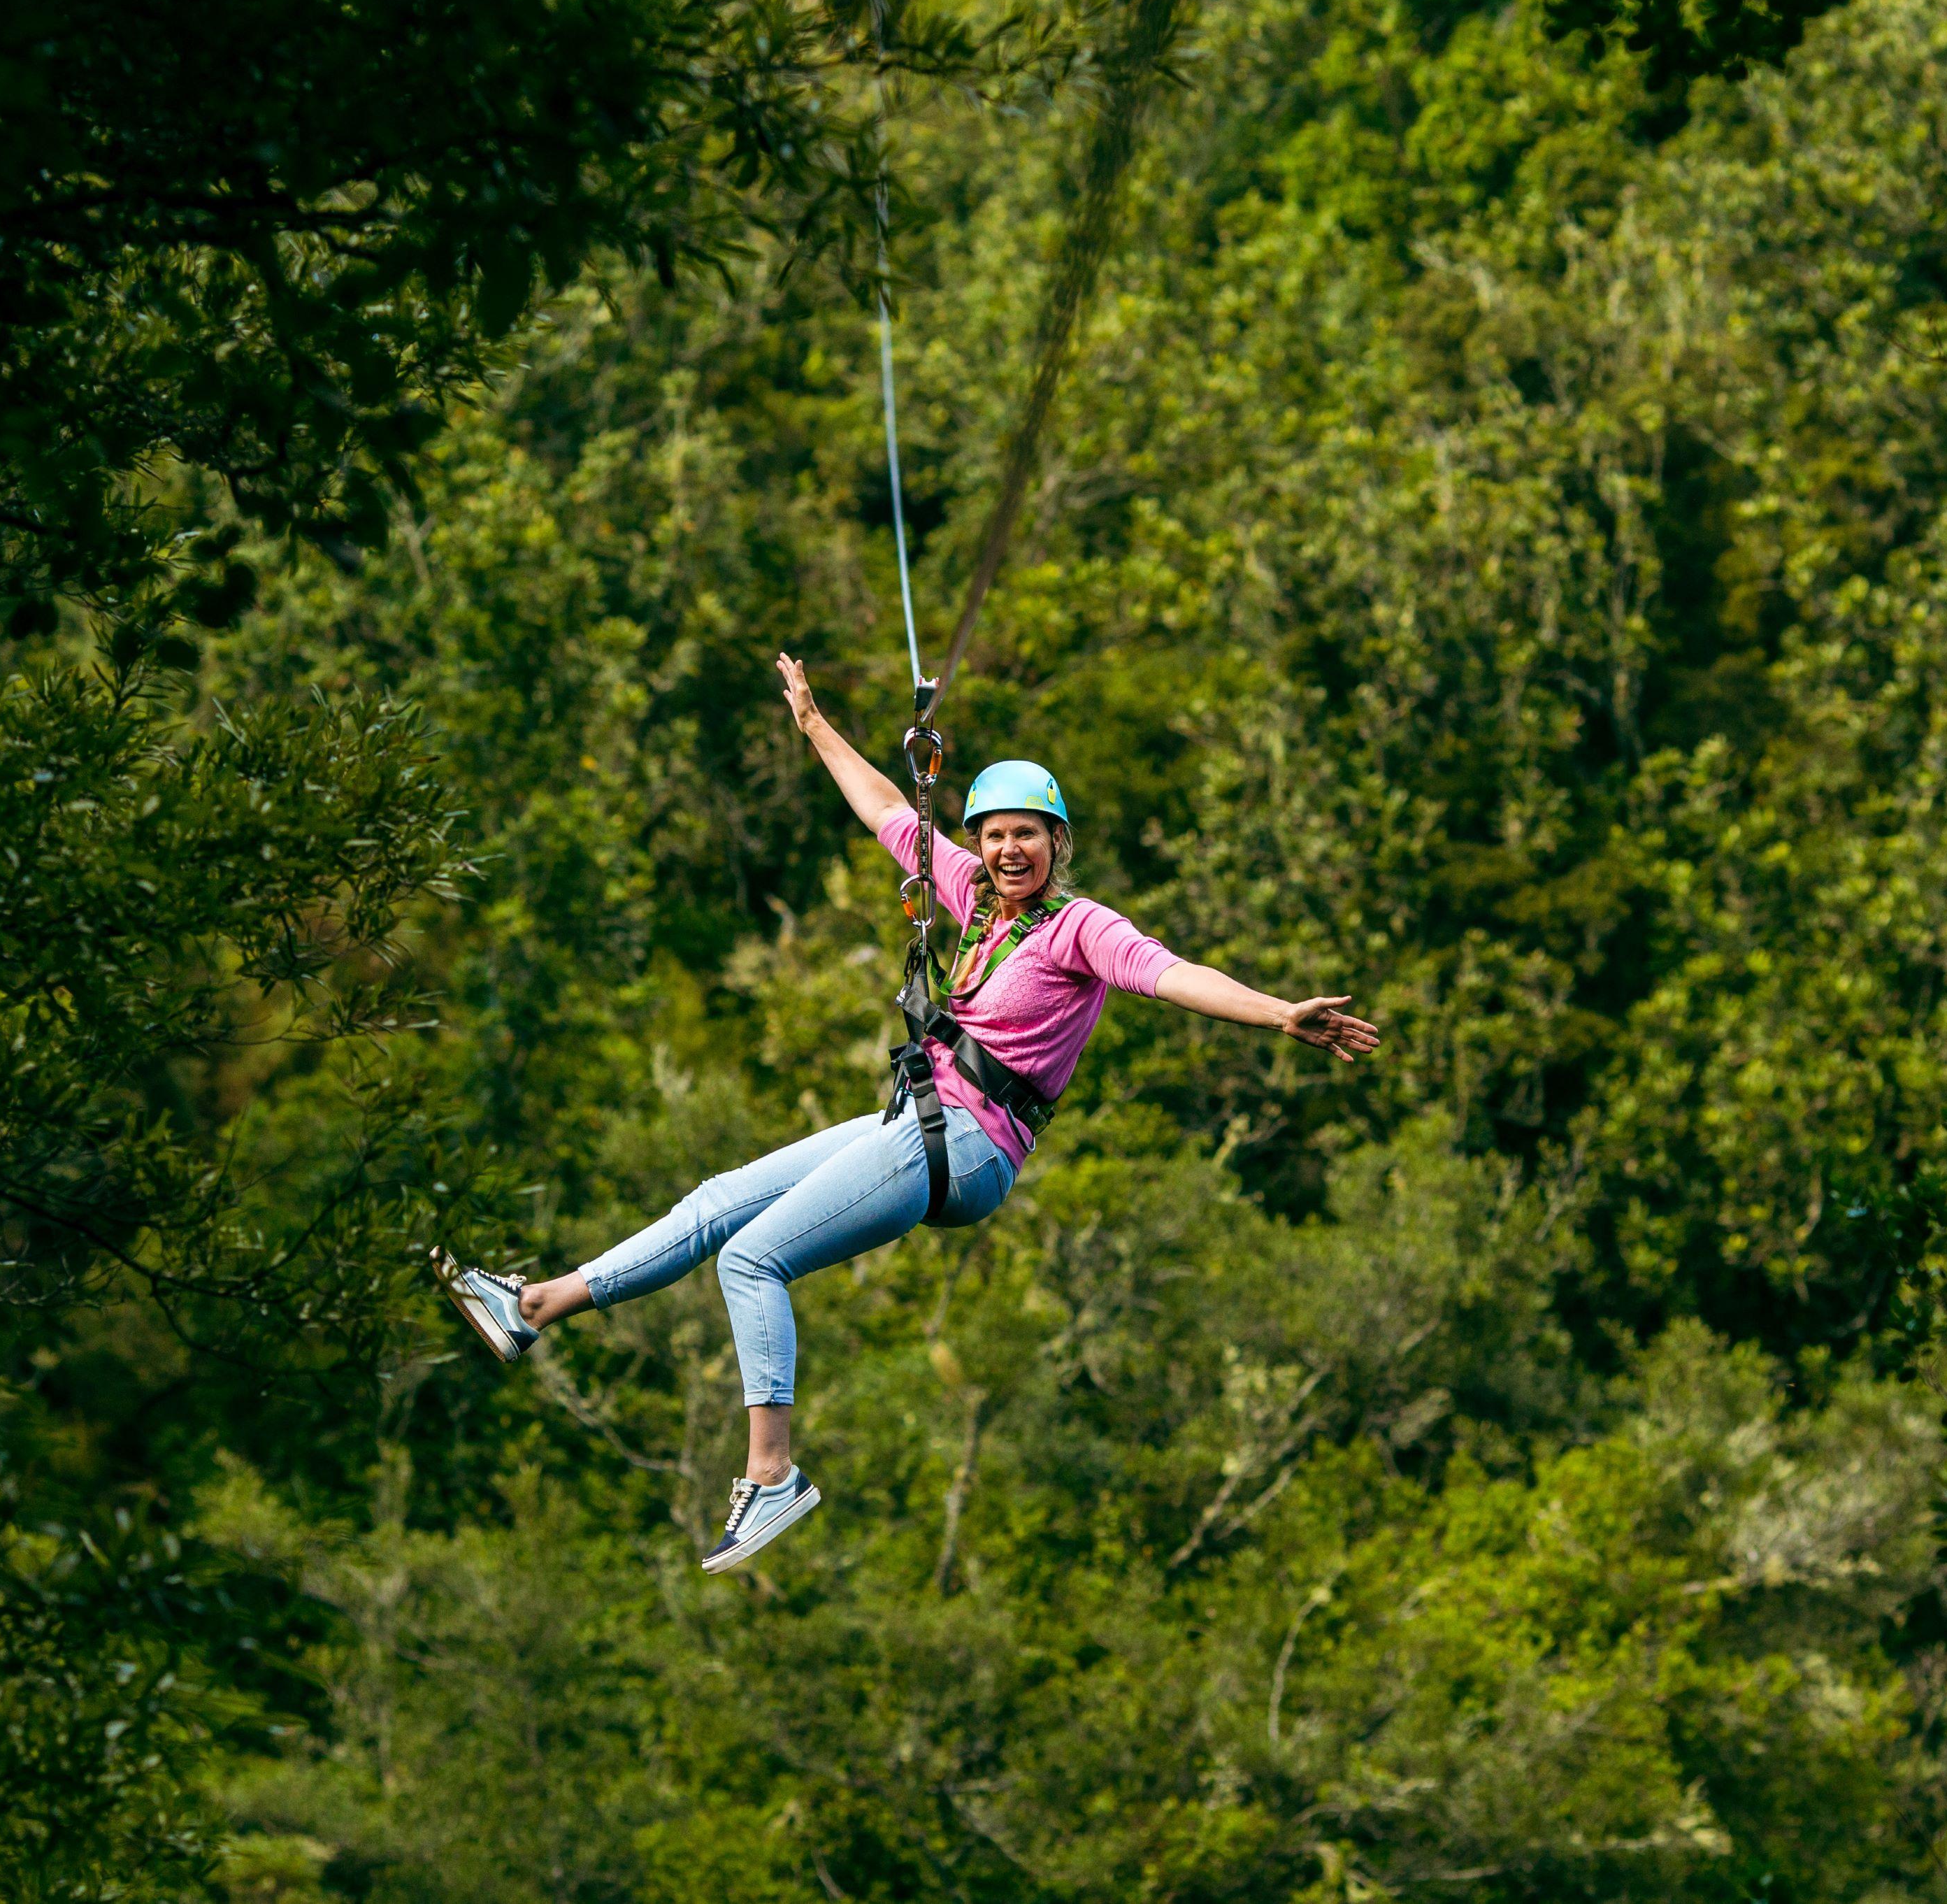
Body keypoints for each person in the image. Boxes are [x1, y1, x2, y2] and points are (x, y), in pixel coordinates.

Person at [431, 653, 1383, 1573]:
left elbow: (1171, 975)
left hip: (968, 1148)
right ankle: (534, 1305)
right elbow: (886, 803)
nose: (1009, 850)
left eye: (1028, 835)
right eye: (995, 833)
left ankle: (773, 1474)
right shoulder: (962, 890)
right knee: (720, 1202)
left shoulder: (1080, 928)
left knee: (752, 1258)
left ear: (1058, 844)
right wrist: (812, 725)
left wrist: (1277, 1012)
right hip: (917, 1118)